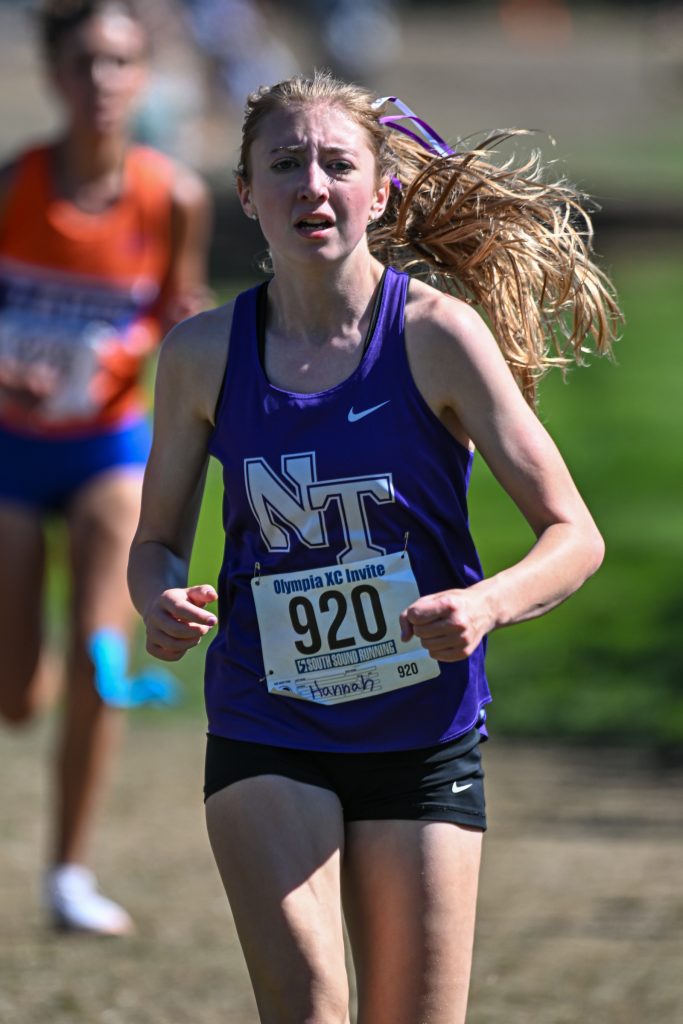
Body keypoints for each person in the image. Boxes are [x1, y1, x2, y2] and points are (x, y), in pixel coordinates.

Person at [128, 72, 620, 1022]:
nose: (312, 184)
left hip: (423, 733)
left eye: (336, 163)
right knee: (311, 1007)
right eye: (284, 164)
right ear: (246, 194)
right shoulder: (201, 355)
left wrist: (484, 604)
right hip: (267, 720)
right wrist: (158, 598)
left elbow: (575, 535)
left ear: (379, 189)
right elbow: (155, 542)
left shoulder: (439, 337)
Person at [0, 0, 212, 936]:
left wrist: (170, 341)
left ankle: (68, 875)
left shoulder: (173, 197)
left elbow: (177, 313)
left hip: (109, 448)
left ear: (144, 76)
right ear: (53, 75)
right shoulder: (13, 185)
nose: (102, 81)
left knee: (101, 655)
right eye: (84, 62)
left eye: (120, 62)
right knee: (17, 698)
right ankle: (24, 669)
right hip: (11, 448)